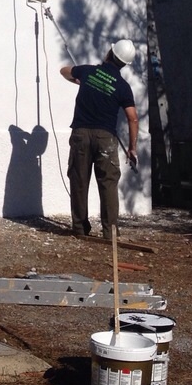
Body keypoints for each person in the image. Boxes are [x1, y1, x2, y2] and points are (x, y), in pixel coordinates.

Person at [60, 41, 139, 238]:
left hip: (80, 135)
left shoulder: (87, 72)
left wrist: (79, 80)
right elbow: (133, 118)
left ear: (109, 53)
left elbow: (64, 71)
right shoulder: (122, 87)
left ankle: (79, 228)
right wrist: (132, 148)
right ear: (124, 64)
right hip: (106, 138)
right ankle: (110, 232)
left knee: (79, 180)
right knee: (108, 183)